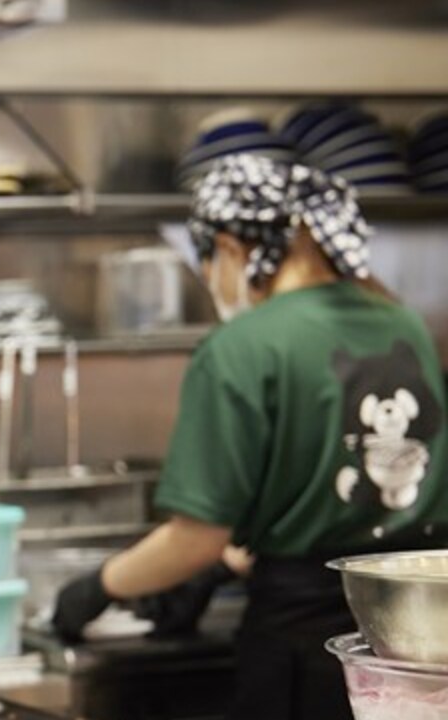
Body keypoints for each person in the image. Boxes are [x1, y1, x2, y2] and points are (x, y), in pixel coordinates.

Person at [52, 153, 448, 720]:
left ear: (232, 247)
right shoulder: (403, 322)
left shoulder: (243, 347)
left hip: (302, 649)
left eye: (207, 258)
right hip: (416, 642)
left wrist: (96, 588)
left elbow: (196, 539)